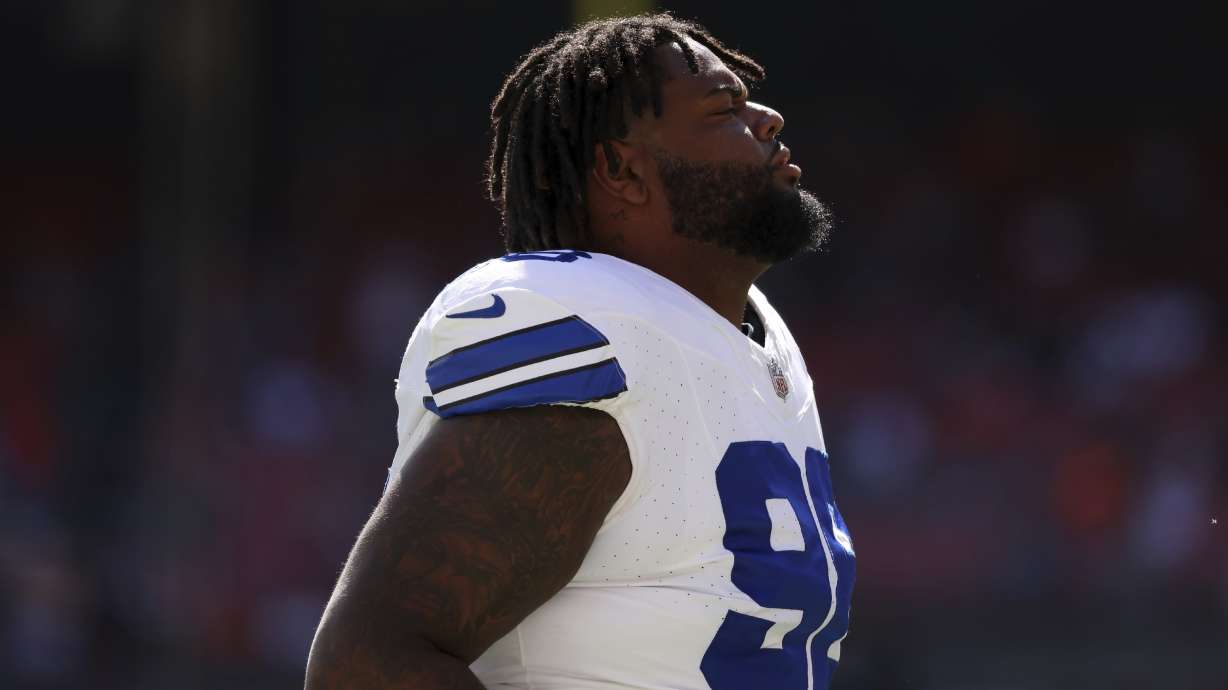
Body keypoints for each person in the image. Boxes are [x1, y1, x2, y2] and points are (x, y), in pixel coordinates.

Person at [305, 13, 854, 690]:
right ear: (623, 169)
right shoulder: (588, 328)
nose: (768, 120)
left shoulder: (752, 340)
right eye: (723, 109)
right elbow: (365, 665)